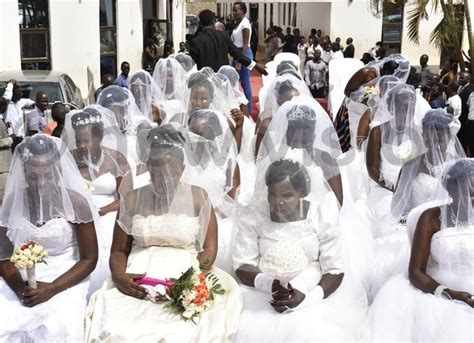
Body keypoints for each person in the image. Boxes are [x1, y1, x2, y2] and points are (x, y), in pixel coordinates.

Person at [85, 124, 242, 341]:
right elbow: (119, 250)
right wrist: (120, 276)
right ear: (148, 167)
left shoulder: (199, 197)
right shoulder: (131, 199)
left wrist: (188, 281)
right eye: (157, 172)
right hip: (138, 276)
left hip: (186, 273)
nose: (164, 179)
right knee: (119, 329)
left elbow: (209, 248)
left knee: (184, 331)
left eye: (171, 172)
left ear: (183, 168)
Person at [232, 154, 367, 341]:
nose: (278, 201)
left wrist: (307, 298)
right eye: (273, 194)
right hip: (265, 289)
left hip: (312, 287)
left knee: (308, 333)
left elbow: (334, 269)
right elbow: (243, 265)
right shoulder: (254, 215)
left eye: (287, 195)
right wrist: (269, 285)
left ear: (301, 192)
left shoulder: (320, 213)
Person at [0, 134, 98, 342]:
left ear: (58, 171)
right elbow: (4, 257)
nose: (41, 183)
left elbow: (89, 258)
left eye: (48, 176)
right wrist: (20, 288)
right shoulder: (12, 203)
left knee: (57, 327)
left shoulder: (76, 202)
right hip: (21, 277)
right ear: (24, 174)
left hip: (66, 274)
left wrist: (53, 288)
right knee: (6, 323)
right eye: (34, 177)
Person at [367, 158, 474, 341]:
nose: (473, 197)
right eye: (468, 192)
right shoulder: (431, 218)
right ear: (451, 189)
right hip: (437, 292)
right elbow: (416, 271)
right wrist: (449, 294)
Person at [62, 107, 130, 296]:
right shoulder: (68, 159)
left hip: (108, 212)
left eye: (86, 140)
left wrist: (102, 210)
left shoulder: (116, 158)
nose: (82, 146)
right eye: (78, 141)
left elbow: (127, 198)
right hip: (77, 215)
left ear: (99, 137)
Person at [189, 10, 266, 76]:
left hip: (205, 81)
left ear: (200, 23)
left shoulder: (196, 41)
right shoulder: (224, 36)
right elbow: (237, 54)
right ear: (213, 22)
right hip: (222, 80)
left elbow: (190, 63)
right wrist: (255, 66)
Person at [231, 2, 254, 113]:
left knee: (244, 83)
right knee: (232, 81)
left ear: (243, 11)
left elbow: (245, 44)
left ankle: (248, 110)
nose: (234, 13)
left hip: (244, 54)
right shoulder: (238, 23)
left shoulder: (245, 24)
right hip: (237, 54)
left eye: (236, 10)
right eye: (233, 10)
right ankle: (235, 106)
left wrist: (240, 62)